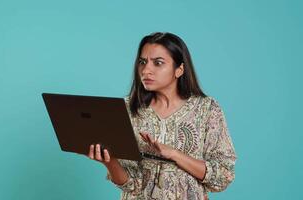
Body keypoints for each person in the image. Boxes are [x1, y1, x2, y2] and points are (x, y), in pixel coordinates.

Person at [87, 32, 237, 200]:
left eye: (158, 63)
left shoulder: (207, 109)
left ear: (179, 69)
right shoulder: (127, 109)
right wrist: (109, 162)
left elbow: (223, 175)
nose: (146, 70)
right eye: (142, 62)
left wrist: (174, 154)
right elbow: (130, 184)